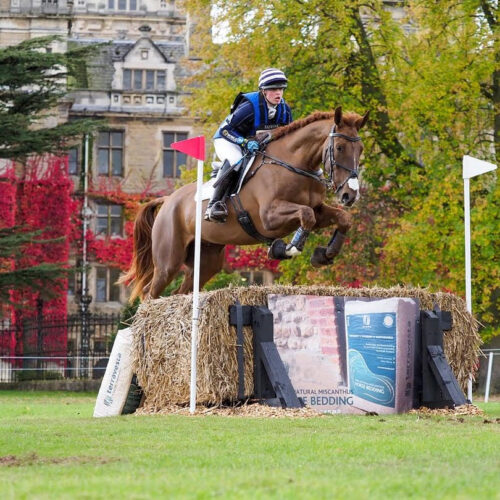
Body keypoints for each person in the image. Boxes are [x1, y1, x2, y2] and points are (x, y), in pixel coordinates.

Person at [204, 68, 293, 223]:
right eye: (273, 89)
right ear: (264, 91)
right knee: (235, 160)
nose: (278, 93)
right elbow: (226, 130)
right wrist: (244, 142)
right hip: (228, 139)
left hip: (256, 144)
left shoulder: (285, 110)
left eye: (281, 89)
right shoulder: (250, 107)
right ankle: (214, 205)